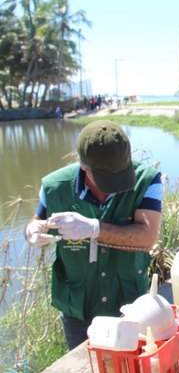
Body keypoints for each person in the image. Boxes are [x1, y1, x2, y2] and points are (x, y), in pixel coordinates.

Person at [24, 120, 163, 350]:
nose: (114, 186)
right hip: (78, 309)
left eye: (120, 175)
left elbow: (147, 237)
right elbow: (36, 220)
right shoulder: (54, 186)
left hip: (129, 303)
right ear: (83, 165)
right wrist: (32, 231)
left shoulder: (147, 180)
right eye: (106, 178)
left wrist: (94, 228)